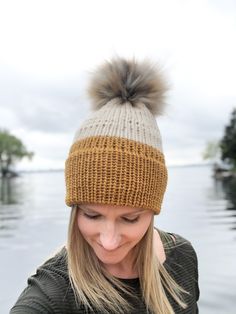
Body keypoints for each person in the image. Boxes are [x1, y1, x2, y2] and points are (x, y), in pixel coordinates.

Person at [10, 57, 200, 314]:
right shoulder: (53, 292)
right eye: (92, 214)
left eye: (130, 218)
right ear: (75, 209)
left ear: (153, 210)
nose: (109, 242)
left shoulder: (182, 256)